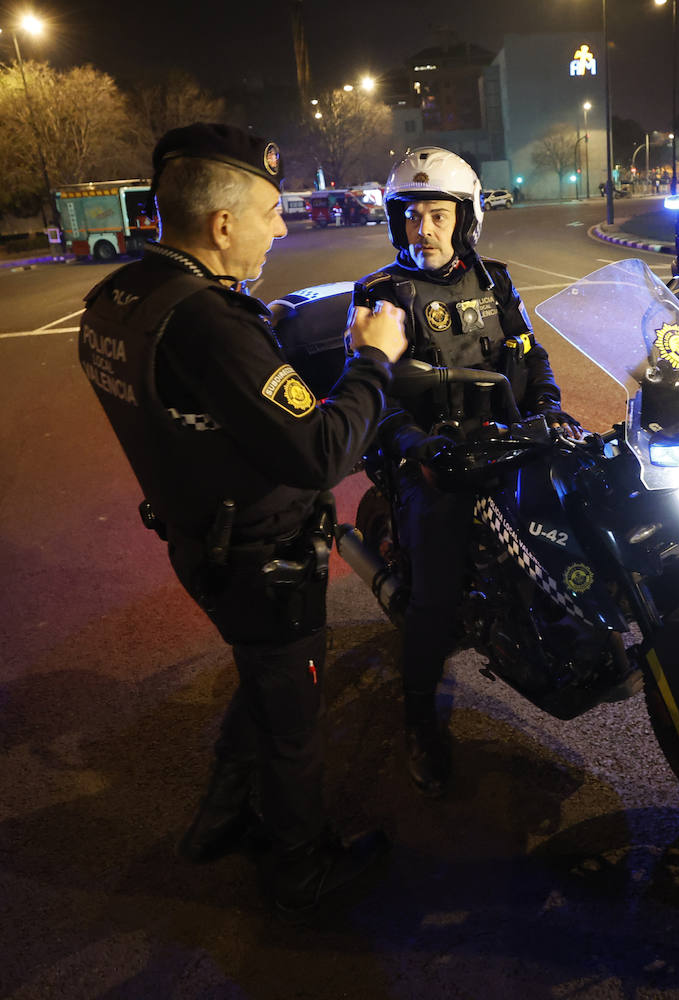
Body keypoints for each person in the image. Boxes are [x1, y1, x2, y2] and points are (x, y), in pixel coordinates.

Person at [75, 122, 408, 913]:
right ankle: (301, 868)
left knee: (263, 677)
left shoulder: (118, 297)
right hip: (263, 558)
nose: (282, 227)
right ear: (222, 224)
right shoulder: (211, 323)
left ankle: (220, 818)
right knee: (294, 717)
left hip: (199, 538)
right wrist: (374, 358)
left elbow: (191, 409)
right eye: (271, 212)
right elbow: (322, 449)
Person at [353, 146, 578, 797]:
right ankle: (420, 719)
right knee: (436, 604)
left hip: (511, 440)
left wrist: (549, 409)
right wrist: (419, 447)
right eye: (411, 216)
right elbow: (374, 393)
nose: (423, 228)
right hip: (437, 465)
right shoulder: (379, 295)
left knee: (579, 518)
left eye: (437, 215)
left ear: (466, 218)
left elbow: (532, 357)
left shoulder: (498, 281)